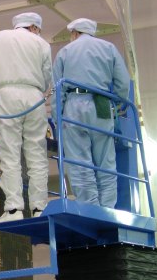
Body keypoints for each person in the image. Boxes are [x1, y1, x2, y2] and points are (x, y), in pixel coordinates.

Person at [0, 12, 52, 222]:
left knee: (10, 154)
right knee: (36, 155)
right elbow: (47, 76)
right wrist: (40, 91)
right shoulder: (41, 43)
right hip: (34, 97)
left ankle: (14, 210)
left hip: (5, 96)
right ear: (34, 27)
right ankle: (39, 209)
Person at [52, 18, 131, 208]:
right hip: (102, 104)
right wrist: (120, 104)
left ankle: (89, 207)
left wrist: (57, 117)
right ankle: (107, 209)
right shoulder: (109, 48)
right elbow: (123, 81)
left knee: (80, 163)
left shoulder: (65, 52)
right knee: (106, 160)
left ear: (75, 33)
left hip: (74, 105)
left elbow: (57, 89)